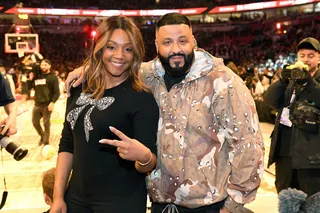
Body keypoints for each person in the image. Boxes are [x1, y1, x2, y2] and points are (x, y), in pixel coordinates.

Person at [65, 13, 264, 213]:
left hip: (208, 206)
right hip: (161, 205)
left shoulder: (223, 82)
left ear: (193, 41)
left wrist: (233, 205)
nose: (175, 49)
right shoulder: (148, 76)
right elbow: (117, 61)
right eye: (167, 42)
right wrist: (86, 69)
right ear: (157, 45)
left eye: (182, 41)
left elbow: (248, 144)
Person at [50, 16, 159, 213]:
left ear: (135, 53)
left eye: (128, 49)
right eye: (111, 47)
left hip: (120, 203)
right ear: (99, 48)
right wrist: (58, 196)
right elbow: (67, 143)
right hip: (75, 199)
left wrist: (143, 157)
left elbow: (149, 162)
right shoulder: (78, 87)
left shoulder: (142, 99)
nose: (120, 55)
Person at [264, 37, 320, 197]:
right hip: (285, 152)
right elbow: (270, 101)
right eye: (302, 55)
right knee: (286, 199)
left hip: (311, 158)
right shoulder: (290, 80)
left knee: (311, 202)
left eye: (311, 55)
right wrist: (282, 79)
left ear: (319, 58)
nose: (306, 60)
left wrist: (310, 82)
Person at [27, 59, 60, 146]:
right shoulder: (37, 76)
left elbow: (57, 92)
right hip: (37, 104)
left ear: (49, 66)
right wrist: (30, 79)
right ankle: (42, 136)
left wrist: (52, 103)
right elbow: (29, 87)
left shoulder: (53, 77)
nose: (43, 66)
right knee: (35, 122)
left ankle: (46, 142)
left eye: (45, 65)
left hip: (47, 105)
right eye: (42, 65)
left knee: (46, 124)